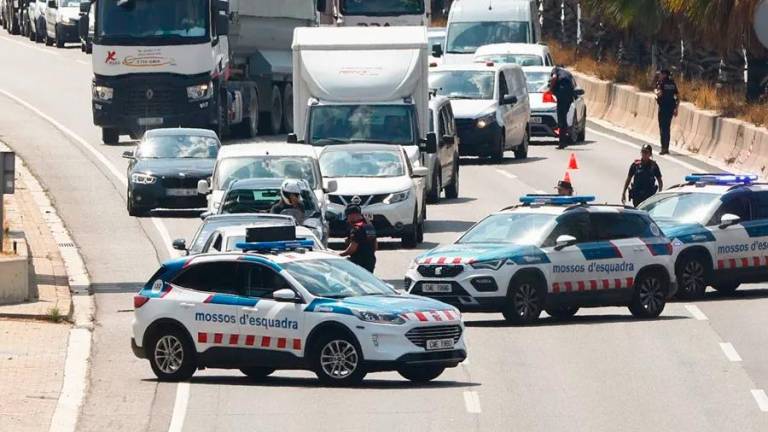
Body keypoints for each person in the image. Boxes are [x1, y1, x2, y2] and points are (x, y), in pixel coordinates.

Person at [340, 205, 377, 273]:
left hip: (358, 261)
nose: (348, 220)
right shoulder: (369, 226)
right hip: (370, 260)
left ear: (352, 215)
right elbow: (375, 246)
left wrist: (339, 255)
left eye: (348, 217)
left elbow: (352, 249)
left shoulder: (356, 228)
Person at [549, 65, 577, 149]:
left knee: (561, 119)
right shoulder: (568, 73)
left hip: (562, 94)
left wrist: (551, 89)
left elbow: (554, 78)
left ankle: (562, 142)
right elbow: (573, 86)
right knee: (563, 118)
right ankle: (564, 139)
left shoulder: (555, 69)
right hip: (569, 96)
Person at [654, 69, 679, 155]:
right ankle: (667, 148)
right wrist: (676, 108)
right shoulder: (672, 83)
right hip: (671, 108)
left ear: (664, 74)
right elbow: (677, 96)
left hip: (663, 108)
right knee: (667, 128)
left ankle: (663, 148)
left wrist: (656, 94)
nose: (659, 75)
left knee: (662, 128)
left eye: (660, 74)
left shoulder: (661, 83)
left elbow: (659, 93)